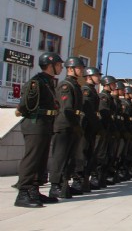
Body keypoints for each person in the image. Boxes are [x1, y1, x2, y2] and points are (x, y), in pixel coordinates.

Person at [14, 52, 63, 208]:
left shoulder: (48, 82)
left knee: (40, 161)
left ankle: (34, 191)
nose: (61, 67)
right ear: (50, 65)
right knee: (32, 159)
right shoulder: (37, 82)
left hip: (45, 124)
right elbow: (25, 104)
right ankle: (23, 193)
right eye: (59, 65)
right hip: (35, 124)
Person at [49, 57, 85, 200]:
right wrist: (75, 124)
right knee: (60, 157)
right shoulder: (66, 86)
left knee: (70, 157)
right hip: (64, 125)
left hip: (73, 125)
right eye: (79, 68)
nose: (81, 70)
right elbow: (67, 109)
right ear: (70, 69)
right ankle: (54, 186)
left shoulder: (75, 85)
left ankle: (64, 184)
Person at [72, 67, 102, 194]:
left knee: (89, 154)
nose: (99, 78)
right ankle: (77, 180)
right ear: (89, 77)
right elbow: (86, 111)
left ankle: (84, 179)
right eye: (97, 75)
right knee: (81, 154)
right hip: (85, 127)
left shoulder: (92, 91)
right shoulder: (86, 91)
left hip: (91, 127)